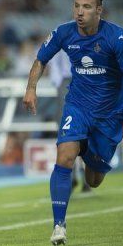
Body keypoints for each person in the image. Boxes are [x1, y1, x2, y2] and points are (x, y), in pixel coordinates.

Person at [23, 0, 123, 246]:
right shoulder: (64, 32)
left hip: (109, 115)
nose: (80, 12)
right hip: (77, 106)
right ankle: (58, 225)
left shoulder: (116, 38)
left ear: (99, 10)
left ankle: (90, 154)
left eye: (87, 7)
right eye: (77, 6)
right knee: (64, 156)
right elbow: (41, 58)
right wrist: (31, 88)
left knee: (94, 179)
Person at [48, 49, 90, 193]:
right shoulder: (81, 41)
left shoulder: (61, 40)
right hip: (75, 83)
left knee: (71, 135)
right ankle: (78, 178)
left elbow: (54, 70)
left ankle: (77, 178)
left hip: (72, 83)